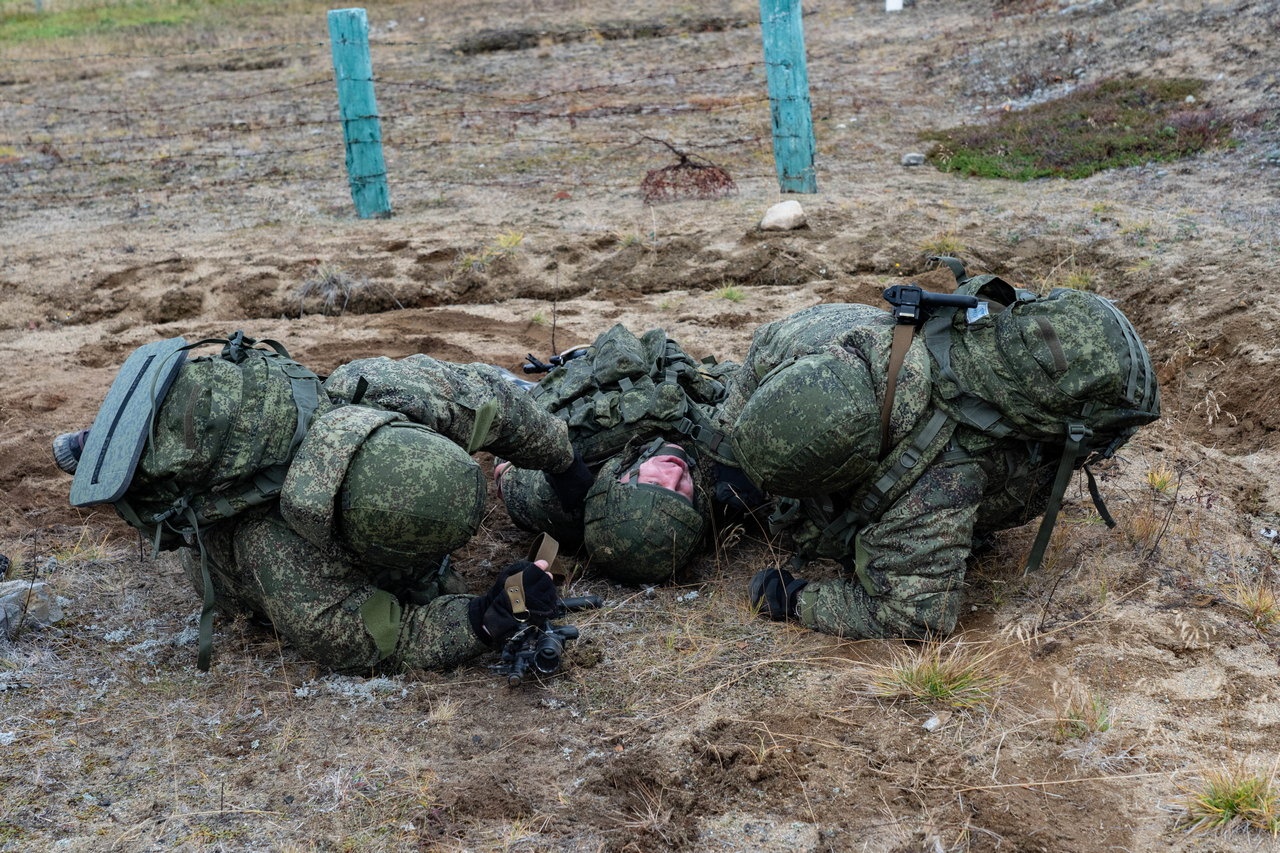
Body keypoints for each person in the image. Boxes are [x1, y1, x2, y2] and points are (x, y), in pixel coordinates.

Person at [54, 333, 595, 673]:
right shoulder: (277, 556)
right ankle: (122, 452)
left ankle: (130, 437)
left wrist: (566, 467)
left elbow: (496, 404)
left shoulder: (386, 387)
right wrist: (482, 619)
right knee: (420, 588)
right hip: (229, 540)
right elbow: (382, 639)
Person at [723, 270, 1159, 640]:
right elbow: (755, 363)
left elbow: (915, 616)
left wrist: (794, 599)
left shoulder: (939, 482)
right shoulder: (823, 331)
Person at [493, 324, 765, 586]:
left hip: (586, 390)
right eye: (681, 493)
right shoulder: (723, 487)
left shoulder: (556, 500)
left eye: (655, 483)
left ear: (617, 481)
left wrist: (555, 466)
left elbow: (507, 468)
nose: (675, 473)